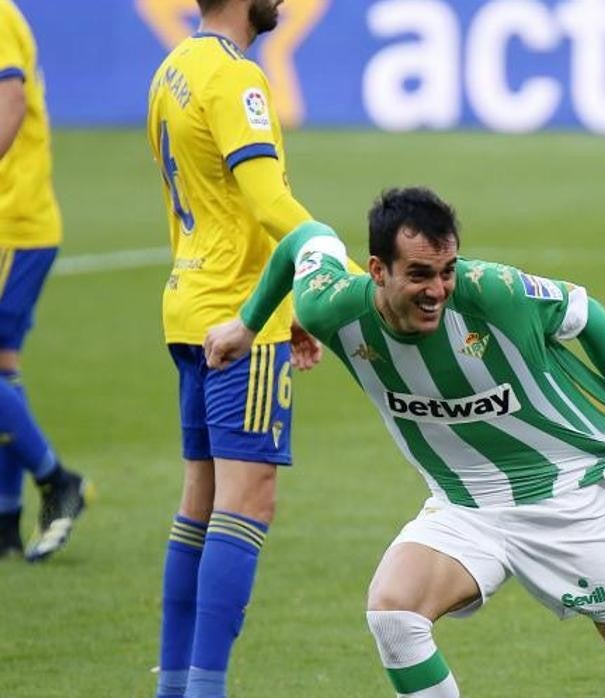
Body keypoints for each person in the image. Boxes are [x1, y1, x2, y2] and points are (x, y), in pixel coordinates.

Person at [203, 187, 605, 698]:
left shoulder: (494, 291)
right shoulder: (330, 306)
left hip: (564, 501)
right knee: (394, 615)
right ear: (376, 270)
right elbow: (305, 238)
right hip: (463, 509)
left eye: (447, 270)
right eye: (419, 274)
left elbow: (587, 313)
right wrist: (248, 325)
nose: (438, 290)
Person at [145, 0, 323, 695]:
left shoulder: (174, 68)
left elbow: (220, 206)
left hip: (191, 307)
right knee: (247, 503)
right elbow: (267, 200)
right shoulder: (237, 77)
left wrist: (289, 300)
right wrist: (323, 257)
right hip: (237, 320)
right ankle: (207, 688)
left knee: (200, 499)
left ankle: (177, 685)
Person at [0, 0, 93, 562]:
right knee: (4, 365)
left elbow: (11, 98)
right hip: (17, 222)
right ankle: (7, 520)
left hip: (13, 222)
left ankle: (57, 479)